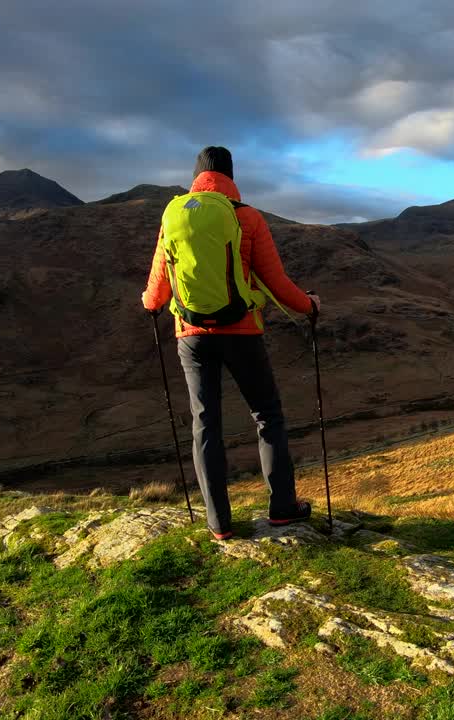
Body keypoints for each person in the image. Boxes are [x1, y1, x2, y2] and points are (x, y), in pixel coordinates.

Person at [142, 146, 320, 540]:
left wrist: (150, 304)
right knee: (266, 416)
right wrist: (309, 306)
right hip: (241, 332)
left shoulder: (172, 216)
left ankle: (219, 524)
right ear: (230, 176)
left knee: (205, 424)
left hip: (190, 336)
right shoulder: (248, 217)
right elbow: (276, 282)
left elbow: (157, 286)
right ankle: (282, 509)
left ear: (196, 176)